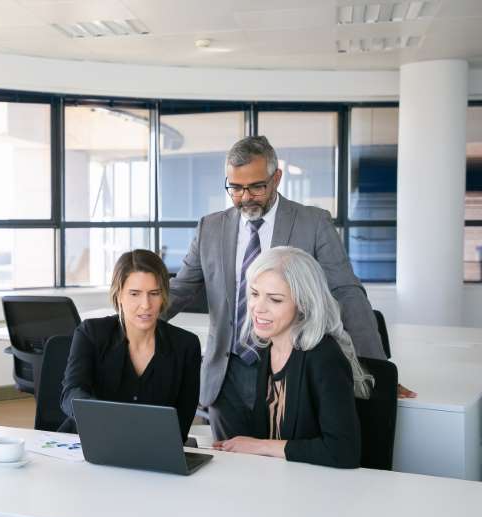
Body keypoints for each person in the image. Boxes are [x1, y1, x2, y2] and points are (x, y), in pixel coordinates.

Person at [166, 135, 414, 441]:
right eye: (235, 188)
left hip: (290, 368)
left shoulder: (313, 223)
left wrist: (376, 369)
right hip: (226, 376)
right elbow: (182, 288)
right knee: (231, 469)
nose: (245, 197)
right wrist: (134, 317)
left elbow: (346, 292)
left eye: (256, 187)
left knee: (287, 465)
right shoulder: (210, 227)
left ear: (276, 178)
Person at [214, 247, 368, 469]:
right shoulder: (269, 348)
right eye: (255, 294)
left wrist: (260, 446)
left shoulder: (324, 358)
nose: (258, 308)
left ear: (303, 304)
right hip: (281, 478)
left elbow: (343, 451)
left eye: (275, 300)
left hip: (319, 488)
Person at [60, 249, 201, 441]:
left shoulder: (186, 346)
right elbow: (71, 393)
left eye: (154, 293)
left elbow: (181, 424)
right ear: (119, 295)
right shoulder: (91, 333)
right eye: (134, 294)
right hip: (88, 442)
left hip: (153, 450)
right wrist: (104, 418)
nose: (146, 304)